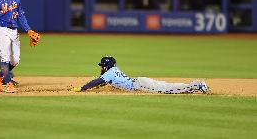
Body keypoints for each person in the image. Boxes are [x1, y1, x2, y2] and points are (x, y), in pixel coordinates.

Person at [72, 56, 211, 94]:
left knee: (167, 89)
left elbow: (97, 81)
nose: (101, 68)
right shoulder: (113, 71)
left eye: (102, 65)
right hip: (139, 82)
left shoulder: (109, 72)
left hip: (139, 84)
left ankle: (197, 84)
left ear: (106, 66)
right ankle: (194, 86)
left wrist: (83, 88)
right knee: (166, 87)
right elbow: (101, 83)